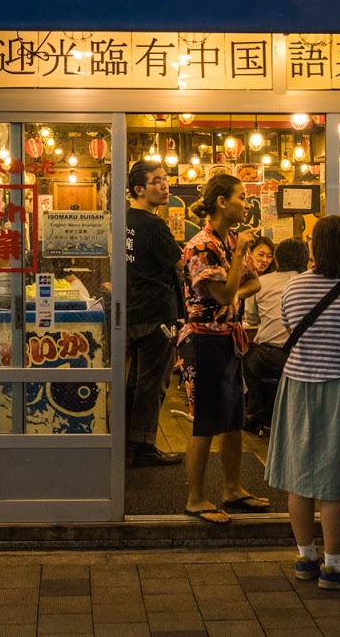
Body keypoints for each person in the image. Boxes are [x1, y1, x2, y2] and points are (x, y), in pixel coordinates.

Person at [266, 216, 340, 591]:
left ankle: (305, 559)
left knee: (298, 479)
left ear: (314, 248)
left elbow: (290, 328)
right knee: (334, 483)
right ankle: (333, 568)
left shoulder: (294, 286)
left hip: (298, 385)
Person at [177, 174, 266, 524]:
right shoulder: (202, 245)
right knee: (205, 421)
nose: (247, 203)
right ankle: (195, 498)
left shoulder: (228, 240)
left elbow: (252, 282)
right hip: (203, 340)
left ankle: (232, 488)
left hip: (229, 338)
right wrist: (241, 257)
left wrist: (236, 295)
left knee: (232, 420)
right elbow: (224, 294)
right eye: (242, 197)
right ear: (221, 202)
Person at [123, 160, 184, 468]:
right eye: (157, 181)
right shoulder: (154, 223)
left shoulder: (125, 219)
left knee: (136, 380)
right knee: (154, 382)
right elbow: (179, 262)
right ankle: (144, 446)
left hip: (132, 311)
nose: (165, 186)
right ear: (139, 189)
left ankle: (127, 442)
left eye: (165, 179)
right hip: (157, 313)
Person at [242, 238, 309, 434]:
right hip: (306, 358)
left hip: (270, 357)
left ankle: (260, 412)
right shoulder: (315, 283)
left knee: (248, 361)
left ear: (277, 259)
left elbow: (252, 319)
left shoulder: (261, 282)